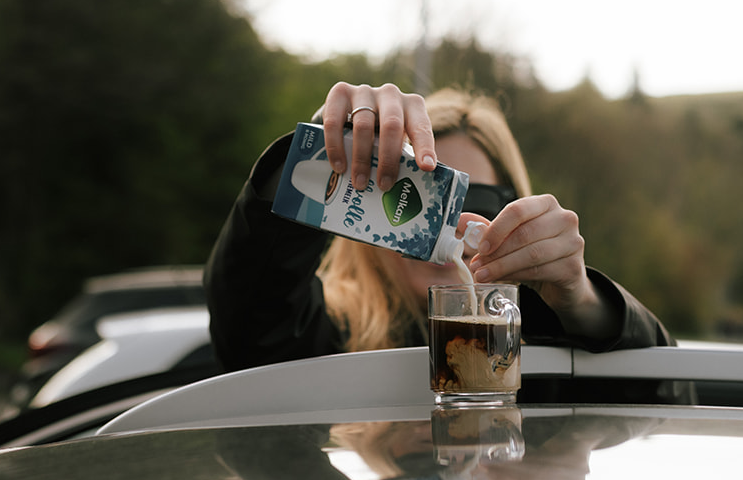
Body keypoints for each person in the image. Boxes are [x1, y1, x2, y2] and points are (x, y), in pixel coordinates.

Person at [206, 81, 677, 372]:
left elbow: (667, 391)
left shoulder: (539, 340)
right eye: (419, 191)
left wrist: (584, 304)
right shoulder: (326, 337)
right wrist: (306, 162)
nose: (448, 222)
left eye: (476, 201)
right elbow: (251, 324)